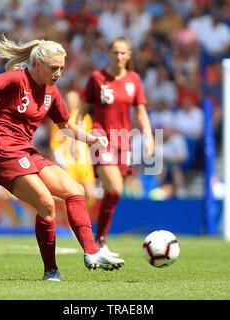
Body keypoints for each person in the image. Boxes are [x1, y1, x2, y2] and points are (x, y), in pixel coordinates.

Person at [0, 35, 124, 282]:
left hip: (24, 151)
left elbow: (66, 125)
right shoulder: (17, 78)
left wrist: (92, 139)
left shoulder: (51, 93)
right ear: (37, 66)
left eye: (62, 68)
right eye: (54, 68)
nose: (58, 73)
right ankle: (51, 272)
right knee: (46, 204)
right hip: (1, 153)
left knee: (75, 190)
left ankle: (92, 252)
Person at [79, 37, 154, 257]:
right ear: (108, 53)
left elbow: (140, 112)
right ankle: (97, 241)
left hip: (123, 141)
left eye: (123, 53)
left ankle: (99, 241)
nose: (119, 57)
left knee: (113, 193)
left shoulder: (134, 80)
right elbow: (83, 110)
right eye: (115, 53)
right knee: (114, 187)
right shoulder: (97, 77)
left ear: (129, 55)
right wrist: (76, 137)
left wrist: (148, 136)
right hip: (100, 136)